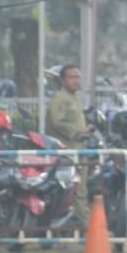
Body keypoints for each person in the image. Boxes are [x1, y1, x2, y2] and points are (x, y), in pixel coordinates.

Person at [45, 64, 92, 227]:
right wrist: (77, 131)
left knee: (81, 190)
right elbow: (58, 123)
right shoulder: (60, 98)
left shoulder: (75, 97)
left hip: (79, 149)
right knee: (77, 191)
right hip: (68, 151)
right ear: (63, 80)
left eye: (77, 77)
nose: (75, 81)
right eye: (71, 77)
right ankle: (88, 225)